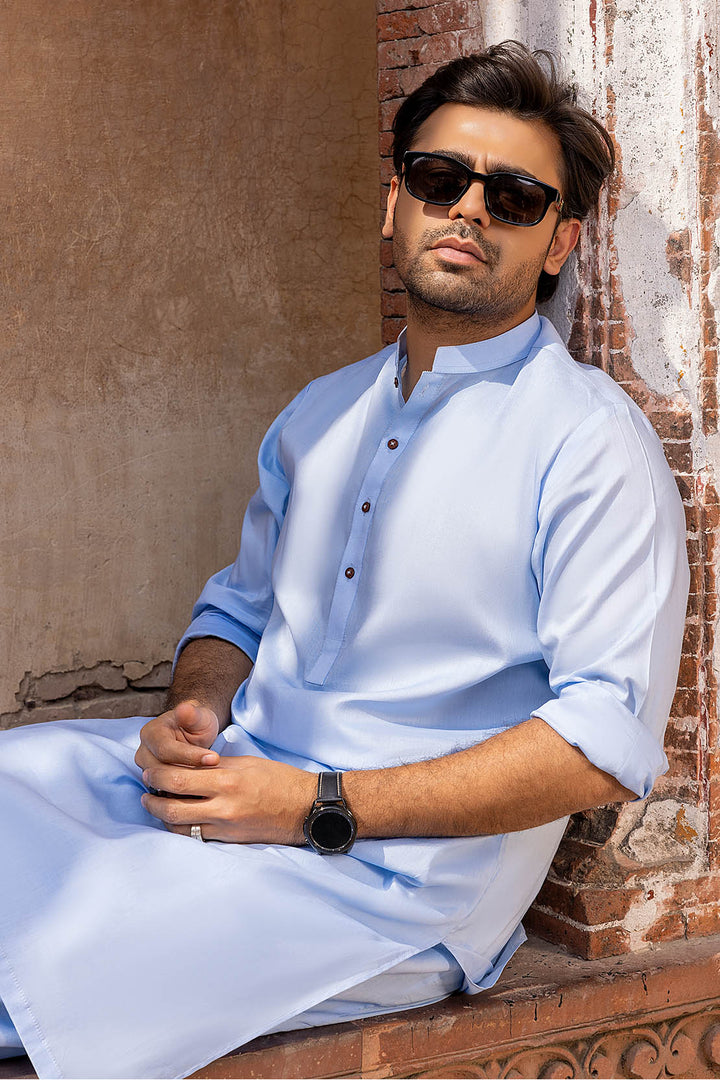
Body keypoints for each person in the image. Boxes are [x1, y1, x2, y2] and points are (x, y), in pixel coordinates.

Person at [0, 40, 689, 1080]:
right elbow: (236, 613)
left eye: (513, 197)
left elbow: (600, 742)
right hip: (241, 783)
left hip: (389, 884)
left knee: (60, 952)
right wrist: (196, 715)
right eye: (440, 179)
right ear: (396, 203)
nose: (468, 210)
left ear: (559, 243)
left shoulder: (590, 445)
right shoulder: (318, 414)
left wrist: (317, 803)